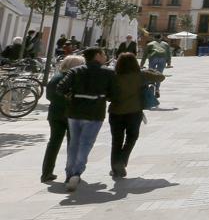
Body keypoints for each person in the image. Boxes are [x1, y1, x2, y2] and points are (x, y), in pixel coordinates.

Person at [57, 47, 117, 191]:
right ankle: (76, 172)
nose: (105, 56)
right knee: (86, 144)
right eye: (103, 54)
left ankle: (69, 174)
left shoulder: (76, 71)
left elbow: (61, 87)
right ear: (97, 56)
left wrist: (72, 95)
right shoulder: (108, 72)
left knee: (73, 143)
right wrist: (104, 97)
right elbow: (114, 93)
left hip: (75, 112)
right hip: (94, 113)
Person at [108, 52, 165, 177]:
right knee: (131, 138)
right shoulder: (141, 75)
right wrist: (148, 69)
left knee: (116, 141)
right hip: (134, 112)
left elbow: (108, 96)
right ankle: (121, 162)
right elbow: (160, 77)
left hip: (115, 112)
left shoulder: (113, 76)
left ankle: (115, 168)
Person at [41, 54, 85, 183]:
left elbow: (49, 96)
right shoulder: (74, 78)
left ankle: (46, 173)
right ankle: (71, 174)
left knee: (53, 143)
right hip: (71, 115)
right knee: (73, 144)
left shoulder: (55, 77)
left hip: (55, 114)